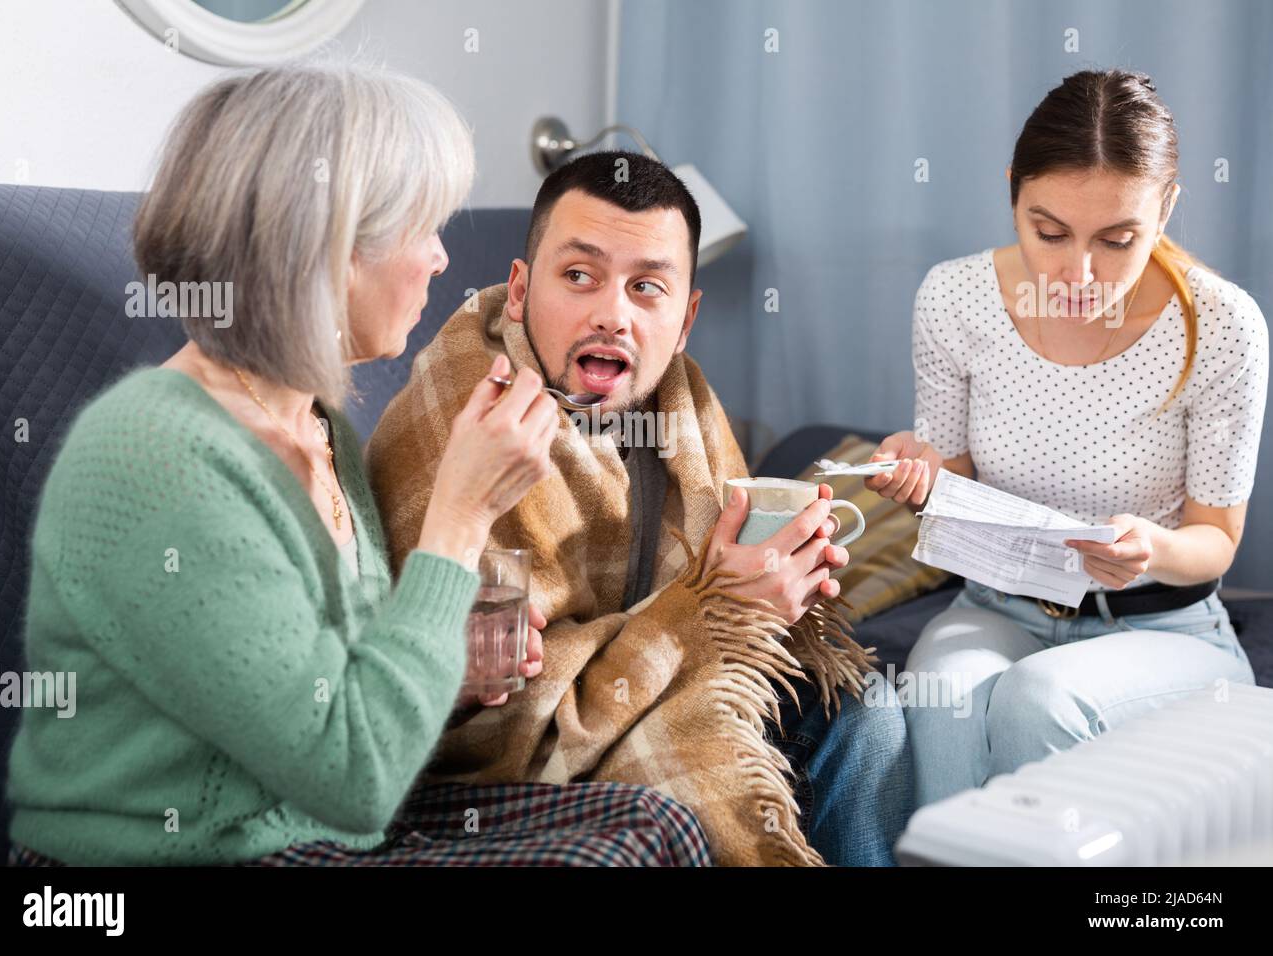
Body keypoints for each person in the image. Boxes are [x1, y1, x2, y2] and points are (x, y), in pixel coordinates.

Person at [6, 64, 709, 867]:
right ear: (327, 248)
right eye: (423, 230)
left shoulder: (320, 427)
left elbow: (327, 693)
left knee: (658, 822)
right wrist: (458, 517)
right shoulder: (159, 455)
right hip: (180, 858)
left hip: (330, 832)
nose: (443, 261)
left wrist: (453, 676)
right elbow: (352, 776)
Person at [368, 149, 913, 866]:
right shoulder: (460, 421)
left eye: (647, 288)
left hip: (657, 688)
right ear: (521, 287)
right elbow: (489, 729)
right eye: (578, 277)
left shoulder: (685, 410)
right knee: (684, 803)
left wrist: (778, 596)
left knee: (866, 712)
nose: (612, 315)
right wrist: (718, 605)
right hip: (508, 760)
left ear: (685, 320)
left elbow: (731, 629)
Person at [866, 69, 1267, 810]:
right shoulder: (954, 299)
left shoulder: (1223, 325)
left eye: (1118, 240)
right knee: (941, 699)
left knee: (1037, 699)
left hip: (1164, 625)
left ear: (1167, 207)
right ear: (1012, 192)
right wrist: (922, 473)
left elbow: (1215, 541)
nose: (1077, 273)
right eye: (1048, 232)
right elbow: (951, 500)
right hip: (996, 607)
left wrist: (1152, 547)